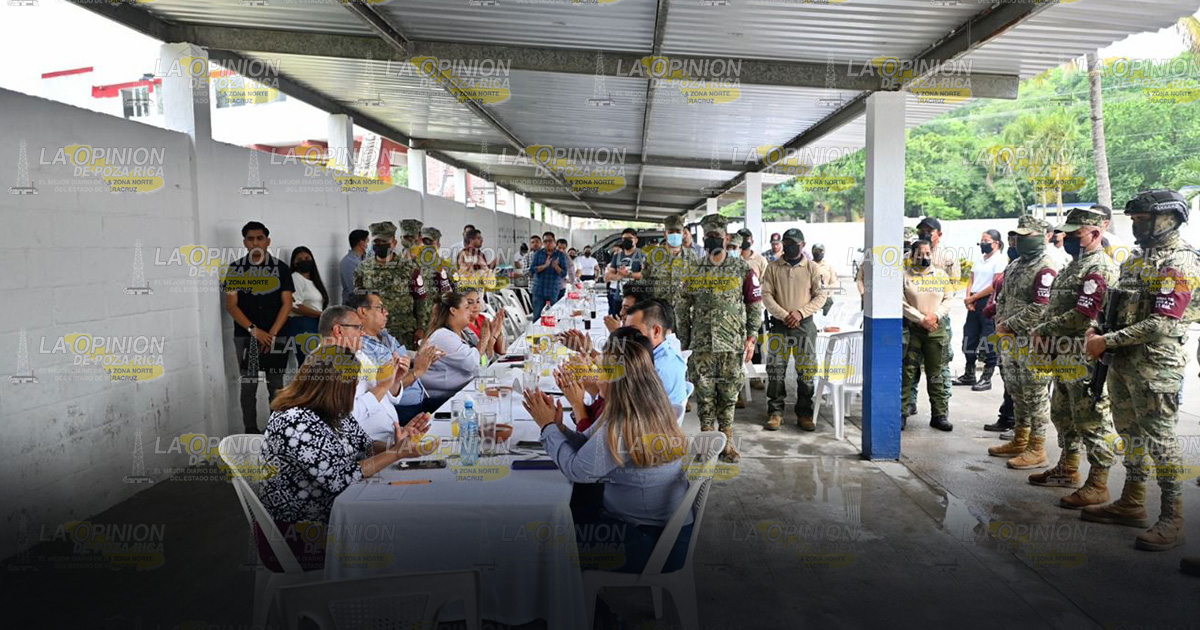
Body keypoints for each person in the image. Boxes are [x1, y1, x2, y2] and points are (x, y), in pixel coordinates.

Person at [1083, 189, 1199, 552]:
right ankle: (1132, 500)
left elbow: (1163, 322)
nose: (1136, 226)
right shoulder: (1138, 258)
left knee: (1160, 440)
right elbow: (1117, 302)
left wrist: (1108, 341)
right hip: (1123, 362)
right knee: (1129, 432)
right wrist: (1097, 329)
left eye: (1142, 219)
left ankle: (1172, 518)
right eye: (1133, 219)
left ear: (1168, 218)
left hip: (1156, 366)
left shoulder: (1179, 262)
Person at [524, 329, 693, 575]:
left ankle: (583, 612)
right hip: (651, 528)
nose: (593, 376)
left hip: (654, 542)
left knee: (544, 541)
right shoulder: (640, 404)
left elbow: (577, 471)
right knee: (553, 517)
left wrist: (547, 426)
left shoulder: (625, 421)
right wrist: (558, 427)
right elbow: (586, 445)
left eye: (600, 370)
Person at [258, 345, 432, 571]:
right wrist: (396, 453)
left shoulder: (331, 410)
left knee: (408, 522)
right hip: (297, 533)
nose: (356, 391)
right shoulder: (295, 421)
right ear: (334, 386)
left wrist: (395, 444)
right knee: (402, 536)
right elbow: (341, 478)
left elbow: (364, 445)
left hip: (335, 513)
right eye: (353, 385)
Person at [1026, 207, 1118, 506]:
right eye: (1067, 233)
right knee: (1063, 414)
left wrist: (1044, 327)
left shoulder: (1098, 267)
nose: (1068, 238)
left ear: (1095, 233)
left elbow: (1084, 314)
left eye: (1076, 234)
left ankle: (1099, 482)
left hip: (1084, 356)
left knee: (1090, 420)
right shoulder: (1074, 264)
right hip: (1065, 355)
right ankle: (1067, 468)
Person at [678, 214, 764, 461]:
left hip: (732, 345)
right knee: (704, 395)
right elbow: (682, 305)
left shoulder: (742, 269)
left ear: (726, 238)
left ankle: (727, 443)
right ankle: (707, 442)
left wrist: (751, 338)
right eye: (708, 237)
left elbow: (754, 304)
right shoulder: (694, 270)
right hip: (703, 344)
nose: (712, 241)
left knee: (728, 395)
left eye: (717, 236)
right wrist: (685, 339)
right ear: (702, 239)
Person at [988, 216, 1060, 468]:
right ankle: (1020, 439)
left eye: (1026, 237)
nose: (1020, 241)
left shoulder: (1046, 267)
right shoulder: (1016, 263)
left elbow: (1042, 306)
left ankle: (1037, 448)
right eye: (1018, 236)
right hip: (1011, 342)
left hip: (1032, 341)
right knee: (1017, 391)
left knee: (1036, 394)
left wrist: (1008, 324)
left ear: (1043, 237)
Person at [223, 221, 294, 434]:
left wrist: (270, 334)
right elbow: (231, 306)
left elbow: (287, 304)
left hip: (277, 335)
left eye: (260, 238)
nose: (255, 242)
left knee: (276, 385)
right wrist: (255, 331)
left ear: (267, 241)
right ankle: (251, 433)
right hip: (246, 337)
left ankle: (276, 432)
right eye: (251, 239)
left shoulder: (281, 268)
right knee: (249, 385)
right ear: (245, 242)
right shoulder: (235, 269)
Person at [760, 228, 827, 432]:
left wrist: (799, 313)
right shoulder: (772, 267)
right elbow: (766, 295)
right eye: (787, 242)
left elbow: (821, 296)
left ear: (803, 245)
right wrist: (784, 315)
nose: (790, 246)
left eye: (795, 243)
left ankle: (804, 413)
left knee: (806, 372)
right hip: (780, 326)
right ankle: (775, 412)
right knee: (776, 370)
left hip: (804, 326)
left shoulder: (812, 268)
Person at [349, 291, 443, 427]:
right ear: (363, 312)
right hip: (403, 410)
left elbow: (403, 363)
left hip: (420, 398)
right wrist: (417, 371)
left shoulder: (386, 336)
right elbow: (382, 388)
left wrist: (422, 357)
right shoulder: (361, 347)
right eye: (380, 308)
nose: (386, 312)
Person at [902, 240, 954, 432]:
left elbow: (949, 299)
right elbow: (902, 303)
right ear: (912, 255)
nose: (923, 257)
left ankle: (939, 415)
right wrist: (920, 319)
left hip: (936, 330)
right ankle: (902, 412)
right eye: (919, 254)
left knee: (936, 374)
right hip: (914, 330)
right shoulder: (904, 276)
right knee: (908, 372)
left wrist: (935, 316)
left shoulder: (940, 275)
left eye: (927, 253)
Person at [420, 291, 503, 409]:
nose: (471, 311)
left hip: (463, 393)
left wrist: (492, 337)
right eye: (466, 307)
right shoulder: (443, 336)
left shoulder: (464, 332)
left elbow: (482, 363)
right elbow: (472, 362)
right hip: (442, 402)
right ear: (453, 311)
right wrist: (484, 338)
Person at [354, 221, 428, 348]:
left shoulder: (409, 267)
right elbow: (359, 298)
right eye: (377, 242)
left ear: (393, 243)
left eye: (384, 242)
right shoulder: (363, 268)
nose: (380, 245)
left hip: (403, 332)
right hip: (373, 331)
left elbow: (420, 298)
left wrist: (421, 327)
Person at [955, 229, 1006, 391]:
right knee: (969, 338)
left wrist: (974, 298)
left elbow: (994, 285)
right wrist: (968, 297)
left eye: (986, 241)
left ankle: (987, 377)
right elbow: (971, 279)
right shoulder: (980, 260)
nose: (983, 244)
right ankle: (969, 374)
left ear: (996, 244)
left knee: (988, 339)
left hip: (988, 301)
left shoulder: (1000, 260)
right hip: (973, 300)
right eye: (982, 241)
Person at [624, 299, 689, 407]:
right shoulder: (665, 351)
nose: (626, 339)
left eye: (634, 333)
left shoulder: (656, 370)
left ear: (656, 331)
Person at [632, 215, 691, 306]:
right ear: (665, 235)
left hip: (683, 312)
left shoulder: (692, 256)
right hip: (659, 310)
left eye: (678, 232)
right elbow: (644, 282)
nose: (675, 235)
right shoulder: (653, 255)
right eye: (671, 232)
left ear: (683, 234)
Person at [285, 246, 328, 368]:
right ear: (294, 262)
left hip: (315, 324)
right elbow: (294, 305)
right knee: (308, 364)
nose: (304, 260)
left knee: (316, 364)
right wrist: (320, 315)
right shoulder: (295, 277)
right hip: (302, 324)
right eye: (299, 259)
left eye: (307, 258)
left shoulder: (314, 281)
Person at [604, 229, 644, 316]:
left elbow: (644, 275)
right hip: (619, 296)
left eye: (629, 238)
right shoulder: (617, 256)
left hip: (636, 297)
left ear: (636, 240)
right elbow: (608, 276)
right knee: (618, 321)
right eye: (624, 239)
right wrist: (618, 276)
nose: (626, 241)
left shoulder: (642, 255)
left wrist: (629, 274)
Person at [530, 231, 569, 319]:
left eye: (550, 241)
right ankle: (536, 333)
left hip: (552, 291)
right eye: (545, 241)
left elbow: (564, 274)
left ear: (554, 242)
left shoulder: (560, 255)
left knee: (551, 318)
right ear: (543, 243)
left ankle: (549, 333)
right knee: (537, 317)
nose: (548, 243)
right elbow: (532, 270)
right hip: (538, 291)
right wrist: (545, 266)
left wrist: (556, 266)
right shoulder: (538, 254)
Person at [463, 289, 508, 356]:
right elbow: (483, 359)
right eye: (470, 302)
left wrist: (499, 330)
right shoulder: (463, 327)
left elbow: (503, 351)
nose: (476, 306)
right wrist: (494, 336)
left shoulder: (483, 319)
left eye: (478, 301)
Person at [339, 229, 369, 304]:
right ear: (362, 243)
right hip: (353, 306)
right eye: (367, 241)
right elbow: (355, 289)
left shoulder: (364, 259)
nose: (368, 244)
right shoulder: (349, 262)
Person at [809, 243, 838, 318]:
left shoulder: (828, 267)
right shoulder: (808, 266)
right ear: (812, 252)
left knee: (826, 319)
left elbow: (834, 283)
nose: (818, 253)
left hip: (825, 298)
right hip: (811, 298)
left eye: (820, 251)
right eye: (816, 251)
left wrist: (825, 289)